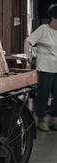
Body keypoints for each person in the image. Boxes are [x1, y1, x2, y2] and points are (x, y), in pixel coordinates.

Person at [24, 4, 57, 132]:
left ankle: (53, 118)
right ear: (54, 17)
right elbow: (28, 41)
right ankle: (41, 120)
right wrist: (27, 54)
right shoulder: (43, 29)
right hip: (45, 68)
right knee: (43, 94)